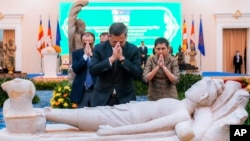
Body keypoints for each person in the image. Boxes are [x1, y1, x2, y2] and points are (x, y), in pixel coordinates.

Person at [44, 77, 224, 140]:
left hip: (119, 121)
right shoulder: (178, 103)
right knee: (80, 114)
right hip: (124, 109)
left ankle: (38, 116)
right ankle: (36, 115)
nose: (194, 86)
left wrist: (111, 133)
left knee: (65, 116)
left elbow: (146, 128)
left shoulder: (181, 115)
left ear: (203, 97)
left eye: (199, 87)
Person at [89, 22, 142, 107]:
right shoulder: (99, 48)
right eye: (114, 41)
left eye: (121, 42)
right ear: (109, 37)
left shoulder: (133, 49)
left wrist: (122, 59)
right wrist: (111, 59)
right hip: (102, 98)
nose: (118, 44)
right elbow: (93, 70)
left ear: (126, 37)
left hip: (125, 99)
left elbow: (138, 74)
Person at [70, 32, 96, 107]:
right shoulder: (76, 53)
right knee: (81, 115)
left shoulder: (98, 53)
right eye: (85, 43)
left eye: (90, 43)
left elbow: (99, 68)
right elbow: (76, 69)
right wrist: (84, 56)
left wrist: (91, 56)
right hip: (82, 90)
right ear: (81, 42)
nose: (87, 46)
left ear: (94, 42)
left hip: (95, 90)